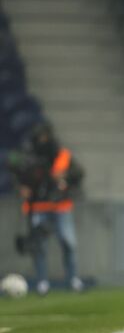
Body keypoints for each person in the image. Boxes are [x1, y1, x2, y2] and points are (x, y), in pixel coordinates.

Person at [9, 122, 84, 296]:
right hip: (39, 206)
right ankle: (43, 282)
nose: (41, 140)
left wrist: (64, 178)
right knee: (38, 245)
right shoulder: (30, 155)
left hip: (60, 206)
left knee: (67, 242)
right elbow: (17, 171)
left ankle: (73, 279)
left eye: (43, 136)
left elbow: (79, 173)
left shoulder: (62, 155)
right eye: (39, 137)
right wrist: (22, 187)